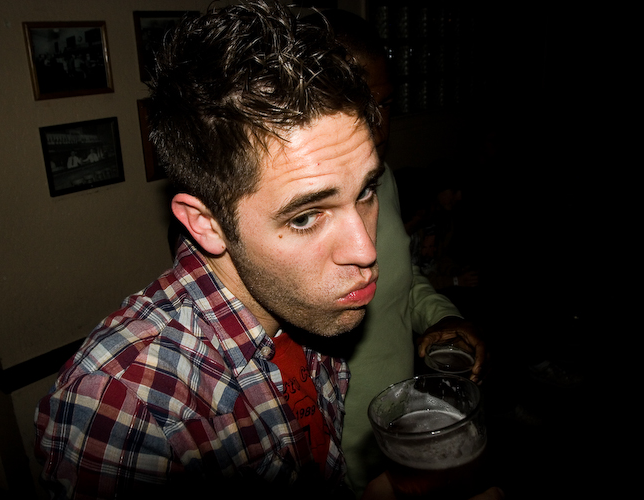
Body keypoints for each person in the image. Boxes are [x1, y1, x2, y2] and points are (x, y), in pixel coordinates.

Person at [35, 2, 380, 498]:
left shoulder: (311, 306)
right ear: (206, 224)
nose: (364, 250)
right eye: (305, 217)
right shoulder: (125, 403)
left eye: (366, 191)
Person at [303, 9, 488, 497]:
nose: (380, 126)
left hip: (400, 425)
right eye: (361, 105)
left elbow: (399, 276)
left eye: (385, 104)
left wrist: (444, 317)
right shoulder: (294, 212)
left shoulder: (383, 179)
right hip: (336, 450)